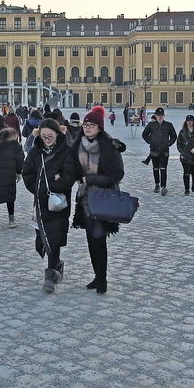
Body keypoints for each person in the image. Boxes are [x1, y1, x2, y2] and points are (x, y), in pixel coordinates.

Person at [70, 106, 125, 295]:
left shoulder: (109, 146)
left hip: (102, 198)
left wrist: (90, 179)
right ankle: (97, 276)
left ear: (99, 128)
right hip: (84, 199)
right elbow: (72, 167)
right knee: (91, 240)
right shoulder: (78, 144)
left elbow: (117, 174)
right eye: (86, 124)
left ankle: (102, 279)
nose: (88, 128)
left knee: (98, 238)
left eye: (92, 125)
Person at [22, 118, 76, 293]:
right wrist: (38, 189)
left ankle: (51, 275)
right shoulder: (35, 151)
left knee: (55, 235)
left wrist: (53, 187)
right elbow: (27, 172)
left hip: (58, 202)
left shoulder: (66, 151)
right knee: (44, 236)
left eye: (50, 136)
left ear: (57, 134)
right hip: (40, 202)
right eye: (44, 136)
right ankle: (57, 265)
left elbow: (69, 176)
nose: (46, 139)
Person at [141, 107, 177, 194]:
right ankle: (157, 184)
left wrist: (169, 143)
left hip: (164, 150)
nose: (160, 117)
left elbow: (174, 136)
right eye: (158, 115)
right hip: (154, 150)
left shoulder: (169, 125)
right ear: (156, 116)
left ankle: (163, 186)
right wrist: (150, 141)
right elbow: (144, 134)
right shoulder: (151, 125)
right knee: (155, 168)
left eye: (161, 115)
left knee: (163, 169)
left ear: (164, 116)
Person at [177, 114, 194, 195]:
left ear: (193, 122)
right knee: (186, 173)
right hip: (185, 156)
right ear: (186, 122)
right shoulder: (182, 132)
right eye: (188, 121)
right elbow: (179, 144)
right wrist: (182, 152)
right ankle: (186, 189)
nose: (189, 122)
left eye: (191, 121)